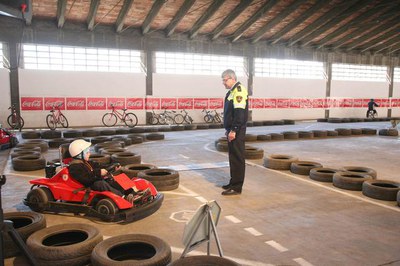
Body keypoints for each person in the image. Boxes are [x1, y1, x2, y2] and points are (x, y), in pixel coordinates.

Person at [68, 139, 136, 203]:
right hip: (87, 186)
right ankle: (123, 198)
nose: (89, 153)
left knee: (115, 177)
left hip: (95, 180)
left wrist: (112, 166)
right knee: (100, 184)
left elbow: (99, 166)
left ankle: (132, 192)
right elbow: (85, 178)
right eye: (87, 152)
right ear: (79, 154)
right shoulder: (74, 167)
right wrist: (99, 173)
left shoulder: (86, 162)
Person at [221, 69, 248, 196]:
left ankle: (237, 187)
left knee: (237, 158)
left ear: (232, 78)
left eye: (225, 80)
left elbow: (239, 113)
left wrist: (234, 130)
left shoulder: (239, 90)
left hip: (236, 131)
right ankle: (233, 182)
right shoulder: (231, 92)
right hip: (231, 130)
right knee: (233, 158)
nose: (223, 83)